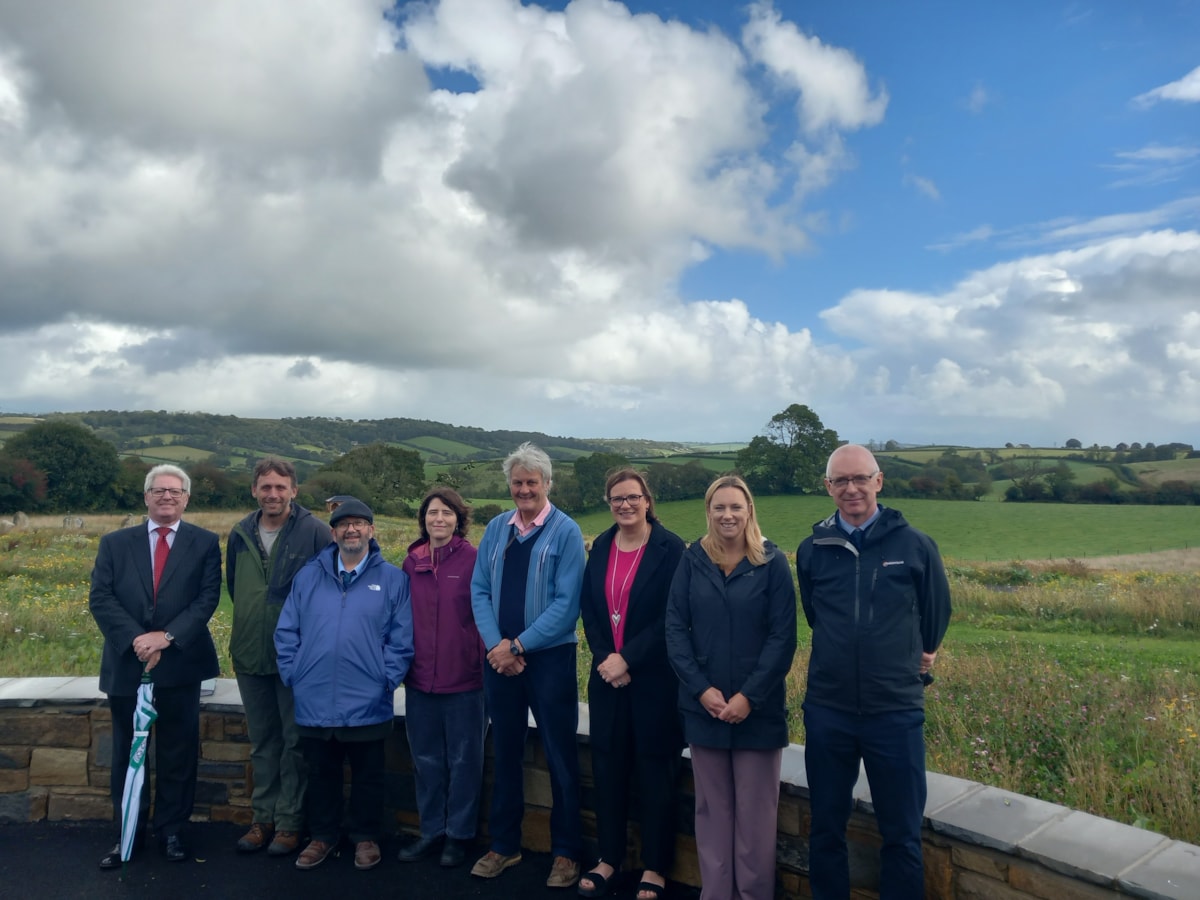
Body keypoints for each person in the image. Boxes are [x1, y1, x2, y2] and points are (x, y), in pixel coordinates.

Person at [796, 444, 951, 900]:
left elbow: (935, 612)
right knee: (825, 828)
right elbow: (813, 615)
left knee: (902, 833)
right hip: (829, 710)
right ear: (828, 488)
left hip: (895, 710)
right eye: (840, 481)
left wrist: (924, 652)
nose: (851, 488)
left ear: (879, 481)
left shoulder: (915, 545)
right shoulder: (812, 550)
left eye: (860, 478)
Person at [665, 475, 797, 900]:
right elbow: (674, 629)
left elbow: (783, 639)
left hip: (757, 711)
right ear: (708, 512)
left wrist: (748, 697)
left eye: (735, 507)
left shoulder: (772, 562)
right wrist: (701, 690)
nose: (727, 515)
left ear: (749, 511)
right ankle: (716, 894)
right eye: (719, 507)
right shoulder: (692, 560)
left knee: (757, 817)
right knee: (712, 811)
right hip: (703, 708)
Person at [89, 464, 222, 869]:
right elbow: (102, 597)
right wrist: (138, 639)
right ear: (146, 496)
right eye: (159, 490)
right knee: (128, 754)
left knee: (178, 754)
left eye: (176, 491)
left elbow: (207, 599)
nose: (167, 496)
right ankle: (128, 833)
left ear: (186, 498)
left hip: (181, 664)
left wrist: (166, 637)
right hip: (128, 665)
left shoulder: (204, 543)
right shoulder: (115, 543)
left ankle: (172, 832)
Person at [469, 442, 586, 889]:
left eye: (531, 482)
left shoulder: (566, 531)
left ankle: (566, 853)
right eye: (517, 482)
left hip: (549, 660)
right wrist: (497, 647)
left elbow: (566, 603)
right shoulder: (497, 528)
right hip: (499, 661)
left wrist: (517, 646)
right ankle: (504, 845)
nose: (524, 489)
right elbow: (480, 589)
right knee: (506, 753)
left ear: (547, 484)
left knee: (560, 756)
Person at [275, 499, 413, 872]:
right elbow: (287, 630)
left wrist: (386, 678)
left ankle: (365, 837)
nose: (352, 530)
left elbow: (401, 640)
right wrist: (294, 674)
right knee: (321, 773)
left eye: (359, 523)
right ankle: (322, 836)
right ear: (333, 532)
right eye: (343, 524)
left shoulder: (393, 580)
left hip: (368, 697)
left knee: (368, 774)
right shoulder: (308, 576)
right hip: (314, 695)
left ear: (372, 530)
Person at [578, 469, 686, 900]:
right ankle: (609, 858)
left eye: (632, 497)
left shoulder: (671, 549)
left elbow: (673, 619)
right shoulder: (602, 545)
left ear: (647, 500)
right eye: (616, 498)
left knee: (656, 773)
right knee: (607, 770)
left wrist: (629, 658)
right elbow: (590, 607)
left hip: (654, 683)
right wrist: (607, 657)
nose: (624, 505)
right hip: (607, 680)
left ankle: (656, 867)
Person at [226, 457, 332, 856]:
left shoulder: (317, 533)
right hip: (249, 654)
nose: (273, 494)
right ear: (254, 490)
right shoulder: (240, 534)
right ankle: (262, 820)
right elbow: (236, 590)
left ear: (294, 491)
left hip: (297, 660)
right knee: (262, 742)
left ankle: (289, 823)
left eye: (280, 487)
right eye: (265, 487)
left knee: (294, 742)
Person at [396, 487, 484, 869]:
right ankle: (431, 831)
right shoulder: (411, 561)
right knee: (426, 761)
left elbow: (484, 616)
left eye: (447, 513)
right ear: (424, 518)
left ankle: (459, 836)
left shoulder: (473, 560)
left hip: (465, 681)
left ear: (458, 519)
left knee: (465, 762)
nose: (439, 520)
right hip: (420, 682)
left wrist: (476, 659)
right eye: (433, 513)